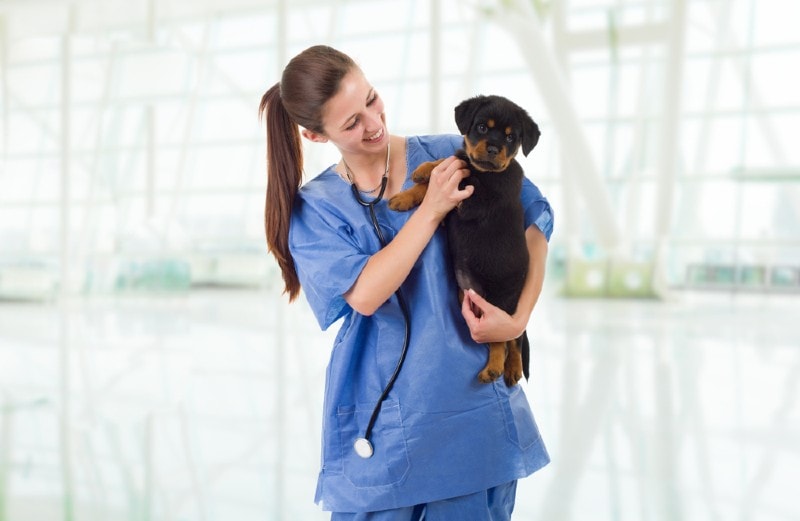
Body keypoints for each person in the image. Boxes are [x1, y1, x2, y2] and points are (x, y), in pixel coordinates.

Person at [259, 45, 554, 520]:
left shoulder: (449, 153)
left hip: (472, 414)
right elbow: (368, 294)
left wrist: (516, 321)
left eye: (372, 100)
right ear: (316, 136)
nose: (373, 123)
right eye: (351, 123)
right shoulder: (315, 210)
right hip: (384, 423)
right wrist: (432, 206)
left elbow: (536, 223)